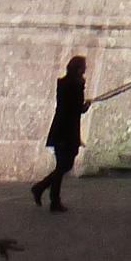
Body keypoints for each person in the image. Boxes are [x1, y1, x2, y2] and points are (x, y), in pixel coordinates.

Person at [30, 54, 87, 212]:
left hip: (61, 128)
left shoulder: (64, 83)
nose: (86, 69)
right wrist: (84, 105)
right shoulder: (75, 85)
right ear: (79, 68)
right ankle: (46, 193)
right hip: (67, 130)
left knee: (62, 165)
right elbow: (76, 108)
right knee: (64, 165)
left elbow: (71, 106)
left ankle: (46, 193)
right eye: (84, 66)